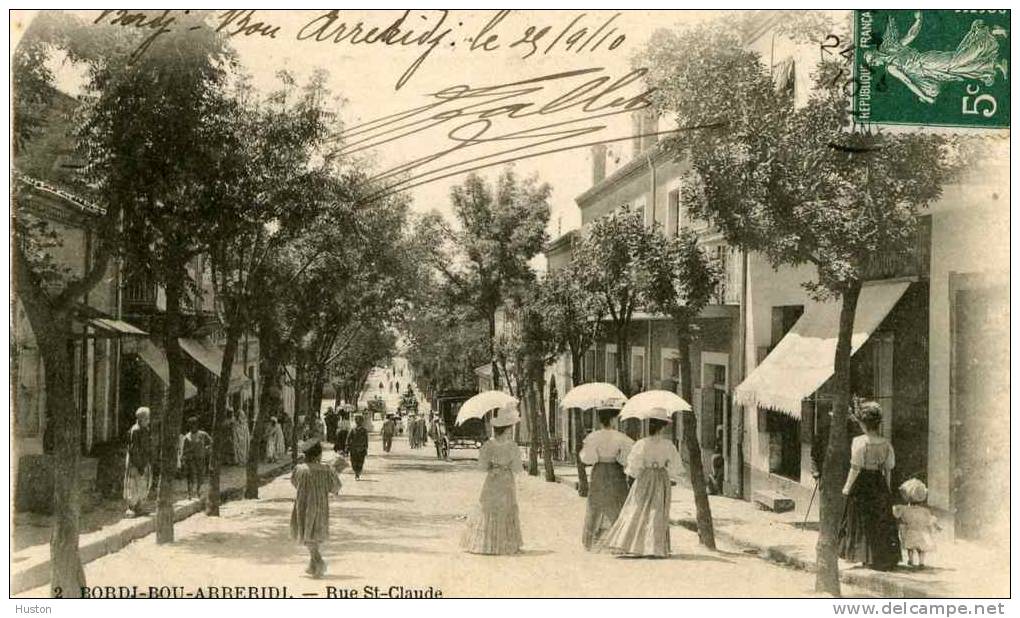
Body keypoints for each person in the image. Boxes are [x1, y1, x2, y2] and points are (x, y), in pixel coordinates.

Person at [599, 410, 682, 558]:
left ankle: (632, 543)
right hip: (661, 477)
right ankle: (654, 547)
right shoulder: (668, 445)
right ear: (662, 427)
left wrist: (640, 473)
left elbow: (634, 466)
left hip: (645, 477)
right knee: (657, 511)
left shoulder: (641, 444)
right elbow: (675, 464)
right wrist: (669, 473)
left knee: (638, 509)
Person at [837, 401, 901, 571]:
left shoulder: (859, 442)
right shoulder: (886, 444)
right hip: (878, 482)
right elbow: (888, 468)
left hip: (863, 482)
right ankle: (878, 558)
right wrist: (886, 489)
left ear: (863, 423)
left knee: (861, 520)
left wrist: (847, 487)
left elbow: (855, 467)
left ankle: (864, 556)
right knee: (878, 519)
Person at [461, 404, 523, 555]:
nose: (511, 431)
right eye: (510, 428)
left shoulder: (488, 446)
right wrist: (507, 466)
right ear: (507, 429)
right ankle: (505, 544)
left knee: (488, 509)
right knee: (506, 509)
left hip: (492, 481)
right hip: (507, 481)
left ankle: (487, 543)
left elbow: (481, 467)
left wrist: (493, 467)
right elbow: (518, 469)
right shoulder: (513, 447)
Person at [579, 408, 634, 550]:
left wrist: (599, 456)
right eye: (615, 418)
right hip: (615, 470)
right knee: (617, 502)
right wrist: (618, 458)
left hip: (599, 470)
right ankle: (618, 539)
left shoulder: (593, 437)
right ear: (612, 419)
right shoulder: (621, 437)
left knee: (596, 502)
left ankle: (593, 540)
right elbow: (626, 458)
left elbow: (587, 458)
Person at [290, 439, 343, 578]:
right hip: (320, 505)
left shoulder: (299, 469)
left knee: (307, 533)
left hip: (303, 504)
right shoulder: (326, 470)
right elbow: (335, 487)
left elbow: (294, 483)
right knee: (315, 533)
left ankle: (317, 563)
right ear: (319, 455)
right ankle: (315, 564)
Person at [894, 478, 939, 569]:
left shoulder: (905, 509)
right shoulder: (925, 511)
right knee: (921, 548)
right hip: (922, 531)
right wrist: (935, 526)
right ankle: (921, 561)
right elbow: (930, 520)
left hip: (911, 531)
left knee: (910, 547)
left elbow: (897, 515)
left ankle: (910, 559)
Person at [124, 407, 154, 516]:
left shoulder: (146, 430)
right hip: (135, 462)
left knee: (143, 484)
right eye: (146, 418)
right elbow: (134, 449)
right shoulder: (135, 430)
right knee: (133, 484)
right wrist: (139, 464)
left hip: (144, 461)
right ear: (141, 419)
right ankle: (131, 507)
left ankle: (139, 506)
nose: (148, 421)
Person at [181, 417, 212, 499]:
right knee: (191, 476)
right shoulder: (187, 437)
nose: (192, 427)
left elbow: (211, 442)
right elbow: (183, 450)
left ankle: (198, 492)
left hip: (200, 458)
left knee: (200, 476)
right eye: (191, 425)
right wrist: (184, 459)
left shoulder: (203, 434)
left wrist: (207, 448)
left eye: (194, 425)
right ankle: (190, 493)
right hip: (191, 459)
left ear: (197, 425)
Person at [347, 415, 370, 480]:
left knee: (360, 462)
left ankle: (357, 474)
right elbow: (348, 438)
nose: (358, 422)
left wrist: (366, 448)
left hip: (361, 449)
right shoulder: (352, 430)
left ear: (362, 422)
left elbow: (366, 440)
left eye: (360, 421)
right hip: (353, 449)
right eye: (356, 420)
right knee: (353, 462)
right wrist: (347, 446)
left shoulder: (364, 430)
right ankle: (356, 472)